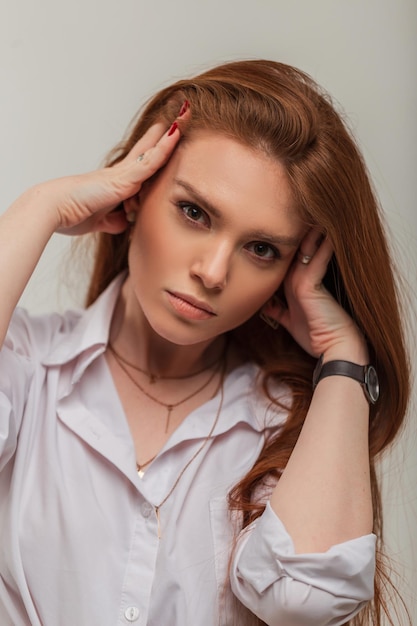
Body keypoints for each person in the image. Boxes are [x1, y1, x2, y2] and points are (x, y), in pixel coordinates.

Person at [0, 59, 411, 626]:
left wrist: (345, 359)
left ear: (292, 269)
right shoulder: (26, 366)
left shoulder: (283, 423)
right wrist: (38, 208)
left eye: (262, 248)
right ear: (136, 191)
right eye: (194, 212)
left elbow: (307, 601)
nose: (214, 271)